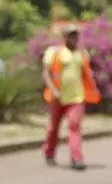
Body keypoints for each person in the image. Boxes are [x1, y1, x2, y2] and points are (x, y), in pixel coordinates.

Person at [41, 24, 100, 170]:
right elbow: (46, 73)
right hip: (57, 97)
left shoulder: (82, 53)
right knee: (53, 127)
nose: (74, 38)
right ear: (64, 37)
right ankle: (49, 153)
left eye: (76, 35)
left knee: (74, 126)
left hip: (76, 97)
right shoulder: (54, 52)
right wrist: (53, 90)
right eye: (70, 35)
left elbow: (86, 74)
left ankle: (76, 158)